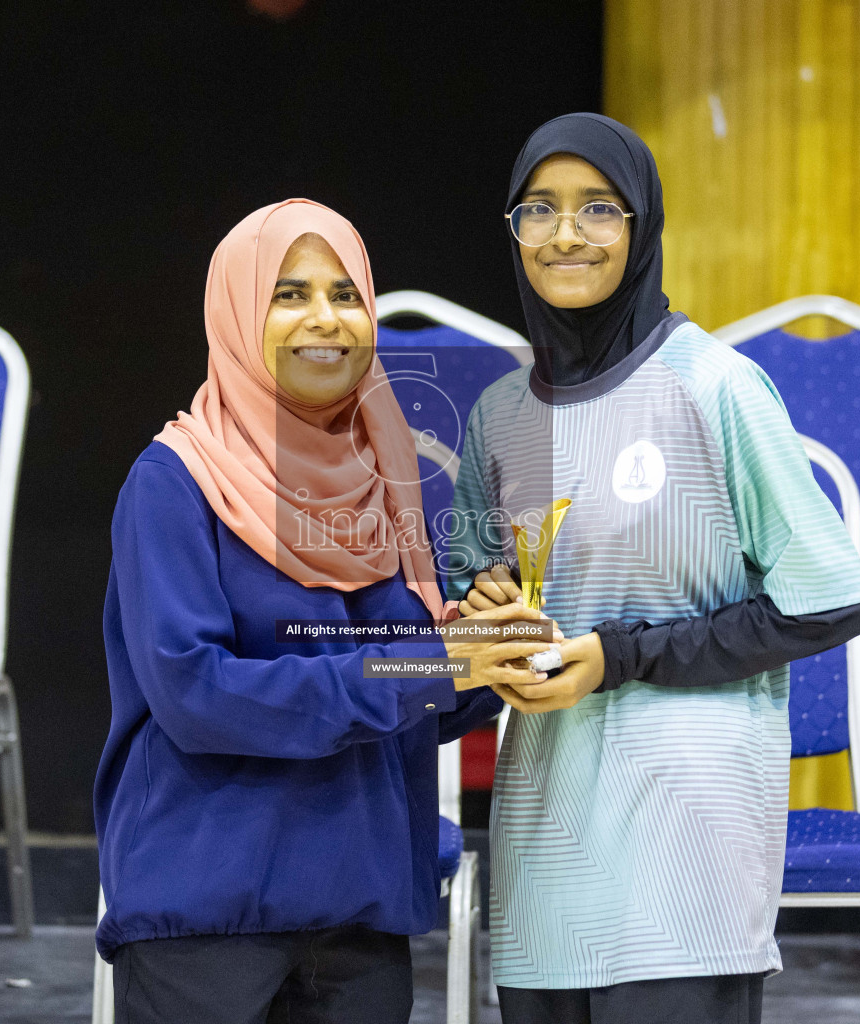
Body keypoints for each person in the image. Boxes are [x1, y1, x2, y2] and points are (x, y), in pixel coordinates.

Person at [448, 113, 860, 1024]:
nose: (567, 233)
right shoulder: (496, 415)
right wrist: (485, 621)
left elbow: (826, 601)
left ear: (642, 227)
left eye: (599, 207)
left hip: (688, 847)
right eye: (540, 210)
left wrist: (621, 654)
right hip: (547, 842)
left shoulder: (714, 386)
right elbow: (472, 604)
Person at [95, 198, 553, 1024]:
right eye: (290, 294)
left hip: (358, 908)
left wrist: (488, 650)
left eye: (347, 295)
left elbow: (408, 697)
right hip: (209, 910)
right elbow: (198, 696)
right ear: (237, 311)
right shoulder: (174, 485)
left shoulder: (383, 479)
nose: (326, 320)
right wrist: (430, 667)